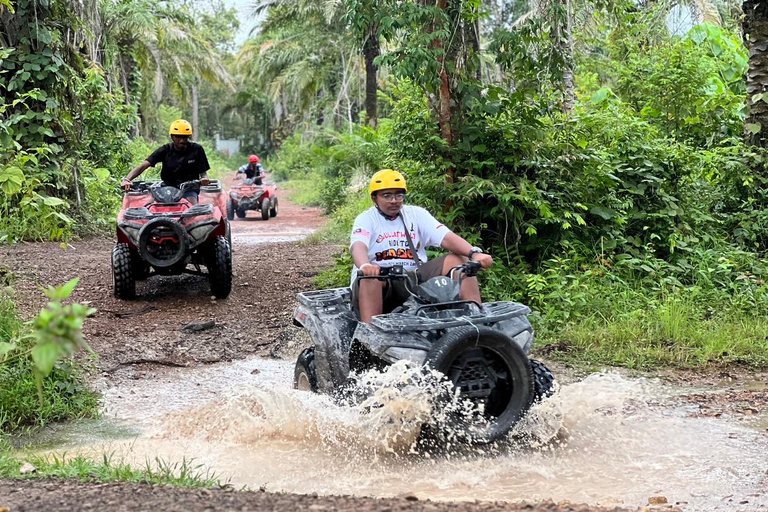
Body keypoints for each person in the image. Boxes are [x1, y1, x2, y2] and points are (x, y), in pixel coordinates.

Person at [349, 169, 494, 323]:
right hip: (383, 279)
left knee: (460, 260)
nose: (394, 200)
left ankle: (477, 321)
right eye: (387, 195)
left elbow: (446, 237)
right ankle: (369, 334)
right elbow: (358, 245)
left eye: (399, 195)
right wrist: (365, 265)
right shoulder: (366, 219)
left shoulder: (416, 214)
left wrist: (474, 253)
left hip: (413, 276)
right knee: (370, 277)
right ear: (374, 198)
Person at [121, 119, 211, 203]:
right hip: (167, 188)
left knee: (192, 208)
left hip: (189, 189)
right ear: (172, 136)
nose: (182, 140)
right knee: (151, 207)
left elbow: (203, 173)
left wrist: (204, 179)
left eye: (185, 137)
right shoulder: (165, 150)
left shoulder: (197, 149)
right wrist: (127, 179)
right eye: (178, 137)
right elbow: (143, 166)